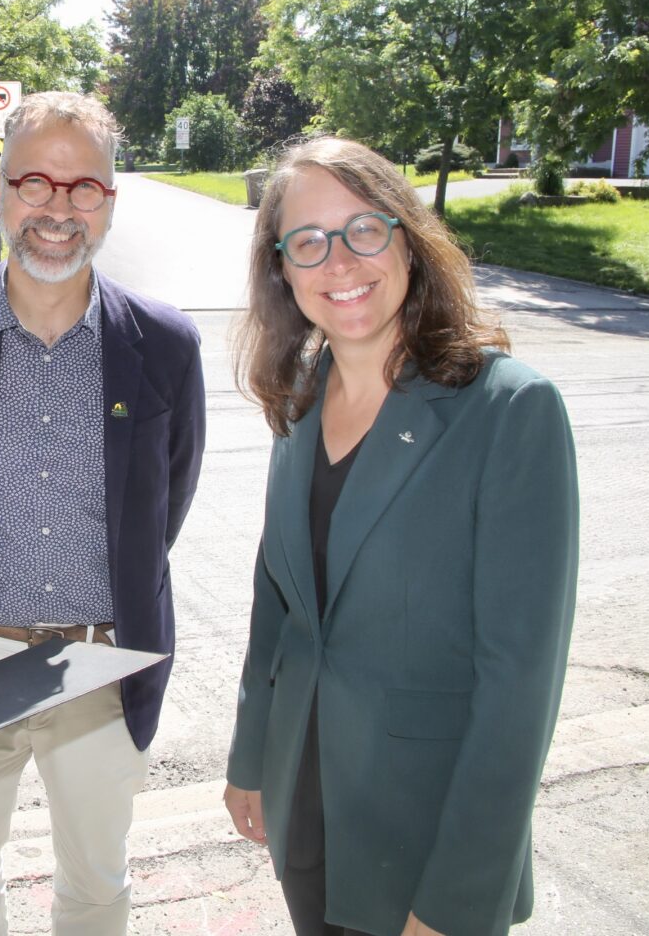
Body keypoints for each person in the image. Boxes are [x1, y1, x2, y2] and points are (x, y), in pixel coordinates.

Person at [222, 137, 578, 936]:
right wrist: (252, 759)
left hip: (422, 838)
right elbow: (276, 606)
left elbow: (520, 688)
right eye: (307, 241)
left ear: (408, 240)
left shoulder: (507, 411)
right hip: (306, 806)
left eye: (364, 230)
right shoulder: (302, 400)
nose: (339, 261)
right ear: (282, 268)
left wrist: (455, 899)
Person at [0, 91, 206, 936]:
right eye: (35, 182)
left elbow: (167, 500)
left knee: (97, 887)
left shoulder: (165, 346)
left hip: (102, 661)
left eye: (83, 187)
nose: (58, 208)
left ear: (110, 201)